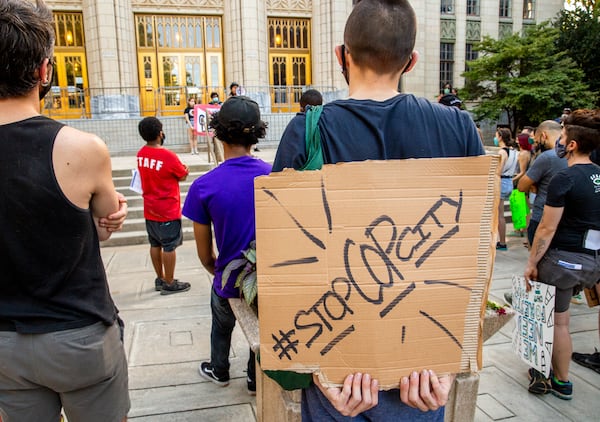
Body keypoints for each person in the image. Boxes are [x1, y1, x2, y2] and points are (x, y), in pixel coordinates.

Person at [272, 0, 484, 419]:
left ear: (341, 56)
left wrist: (320, 376)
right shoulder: (458, 127)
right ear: (411, 60)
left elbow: (283, 261)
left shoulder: (308, 130)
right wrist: (447, 365)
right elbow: (476, 249)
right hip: (422, 375)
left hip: (338, 369)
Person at [0, 1, 129, 420]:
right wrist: (107, 219)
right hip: (79, 335)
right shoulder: (80, 148)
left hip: (6, 343)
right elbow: (105, 223)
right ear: (44, 70)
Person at [182, 96, 271, 395]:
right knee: (260, 330)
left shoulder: (203, 186)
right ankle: (253, 377)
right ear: (257, 133)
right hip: (267, 281)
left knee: (221, 328)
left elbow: (205, 254)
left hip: (227, 279)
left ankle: (219, 369)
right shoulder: (276, 176)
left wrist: (218, 270)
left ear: (216, 133)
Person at [524, 109, 600, 400]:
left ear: (571, 145)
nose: (560, 139)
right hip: (592, 261)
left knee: (560, 323)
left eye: (564, 135)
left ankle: (562, 380)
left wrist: (532, 262)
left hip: (563, 262)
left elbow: (546, 228)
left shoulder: (564, 178)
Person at [137, 116, 191, 295]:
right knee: (169, 246)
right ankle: (169, 281)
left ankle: (160, 277)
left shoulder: (141, 154)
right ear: (160, 133)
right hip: (167, 208)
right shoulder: (167, 156)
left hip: (150, 208)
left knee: (154, 243)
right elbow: (182, 174)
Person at [517, 121, 566, 246]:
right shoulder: (574, 154)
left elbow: (522, 186)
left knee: (538, 261)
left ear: (544, 135)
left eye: (537, 140)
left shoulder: (547, 157)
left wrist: (534, 185)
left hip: (542, 218)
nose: (535, 144)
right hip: (566, 218)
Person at [495, 127, 518, 250]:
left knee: (498, 214)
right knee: (500, 213)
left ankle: (502, 241)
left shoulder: (502, 152)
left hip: (501, 181)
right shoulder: (514, 151)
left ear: (500, 137)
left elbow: (498, 169)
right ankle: (501, 240)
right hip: (509, 181)